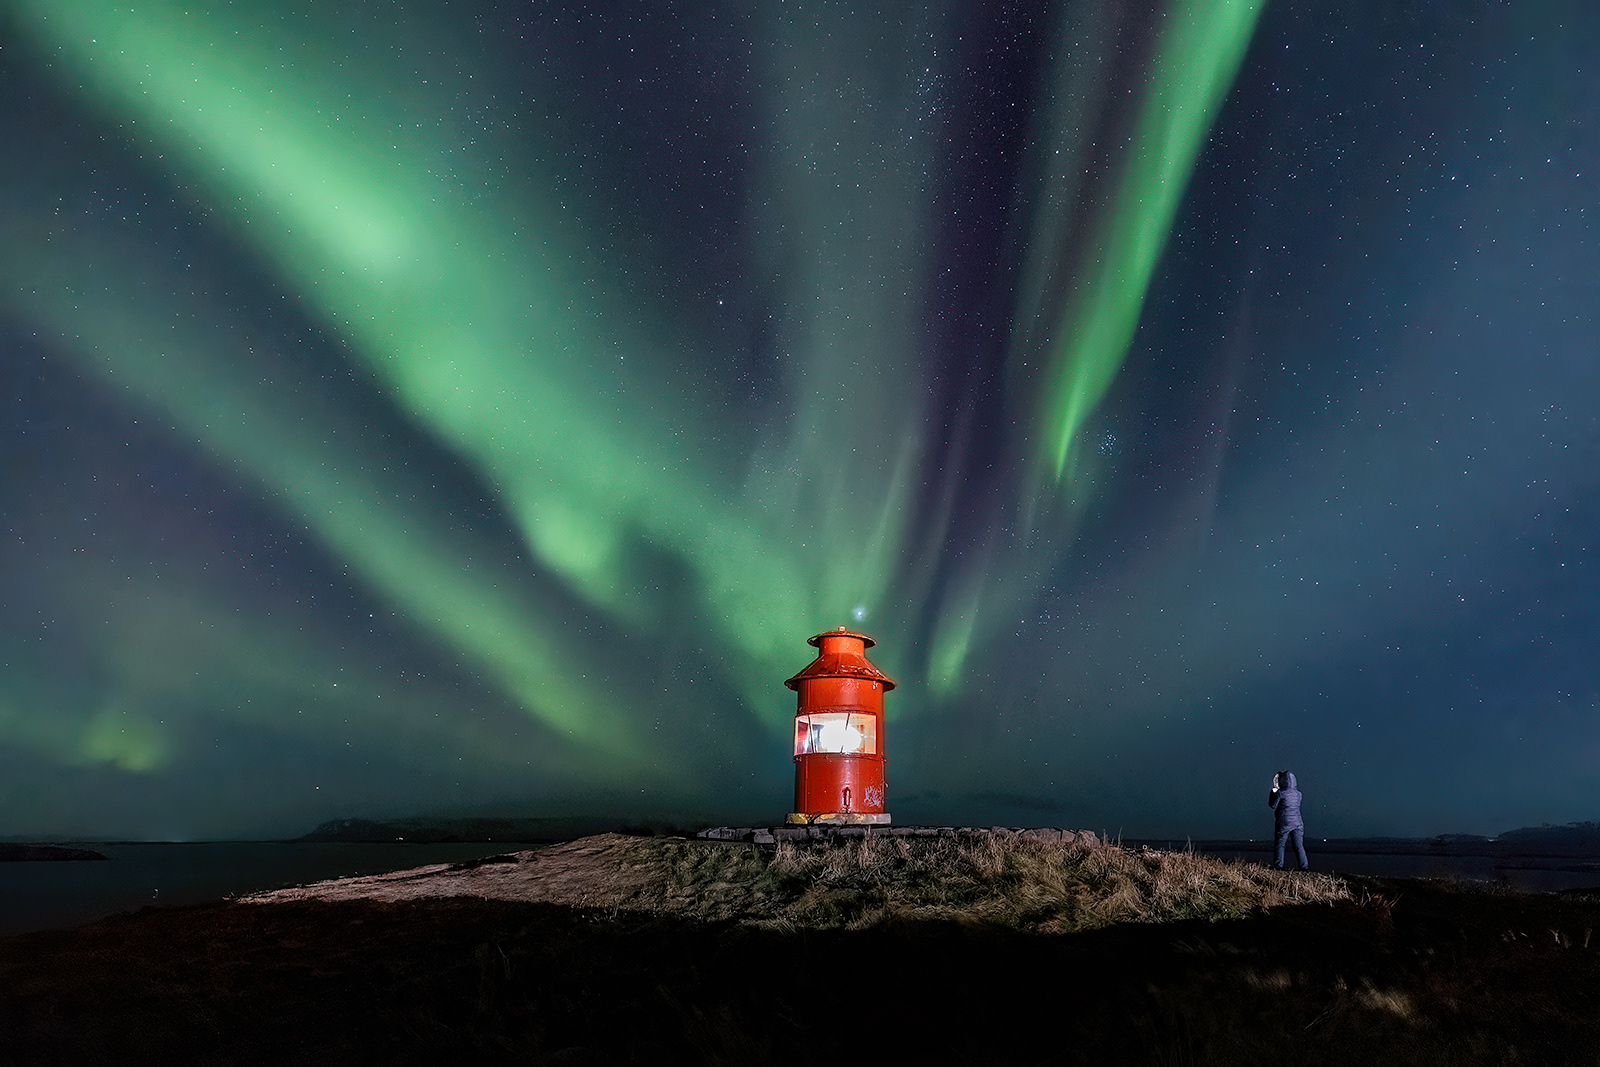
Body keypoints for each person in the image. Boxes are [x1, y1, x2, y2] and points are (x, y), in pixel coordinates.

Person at [1268, 770, 1308, 870]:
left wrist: (1274, 790)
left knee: (1280, 845)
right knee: (1298, 846)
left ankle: (1278, 866)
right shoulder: (1299, 794)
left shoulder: (1281, 793)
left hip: (1284, 823)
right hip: (1298, 823)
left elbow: (1272, 805)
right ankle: (1304, 867)